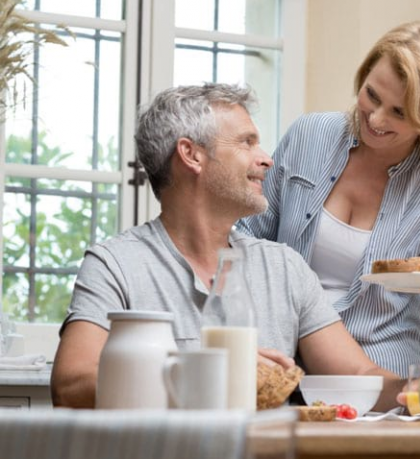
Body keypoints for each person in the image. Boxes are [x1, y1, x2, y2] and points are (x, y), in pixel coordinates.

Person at [50, 83, 401, 410]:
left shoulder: (284, 267)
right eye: (246, 142)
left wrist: (418, 388)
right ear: (191, 155)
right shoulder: (115, 264)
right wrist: (209, 374)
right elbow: (70, 385)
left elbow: (357, 375)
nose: (267, 159)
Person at [237, 21, 420, 377]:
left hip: (382, 380)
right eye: (372, 95)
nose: (376, 118)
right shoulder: (310, 134)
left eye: (399, 113)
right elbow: (248, 240)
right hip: (280, 366)